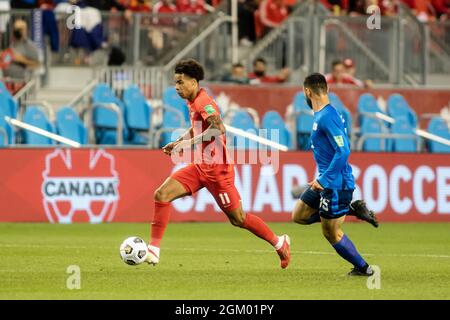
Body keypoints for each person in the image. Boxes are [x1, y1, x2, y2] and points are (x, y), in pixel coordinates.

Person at [146, 59, 291, 268]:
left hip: (218, 172)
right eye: (175, 83)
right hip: (200, 167)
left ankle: (279, 243)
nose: (177, 87)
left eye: (180, 82)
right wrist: (178, 142)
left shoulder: (204, 101)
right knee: (162, 195)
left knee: (238, 219)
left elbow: (218, 128)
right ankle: (153, 249)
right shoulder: (191, 101)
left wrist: (187, 143)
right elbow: (197, 128)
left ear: (194, 82)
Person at [292, 73, 377, 276]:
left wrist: (324, 179)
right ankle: (352, 209)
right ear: (327, 89)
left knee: (330, 232)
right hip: (325, 181)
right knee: (299, 216)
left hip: (336, 184)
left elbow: (344, 151)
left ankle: (364, 269)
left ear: (307, 91)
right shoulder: (323, 114)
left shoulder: (327, 117)